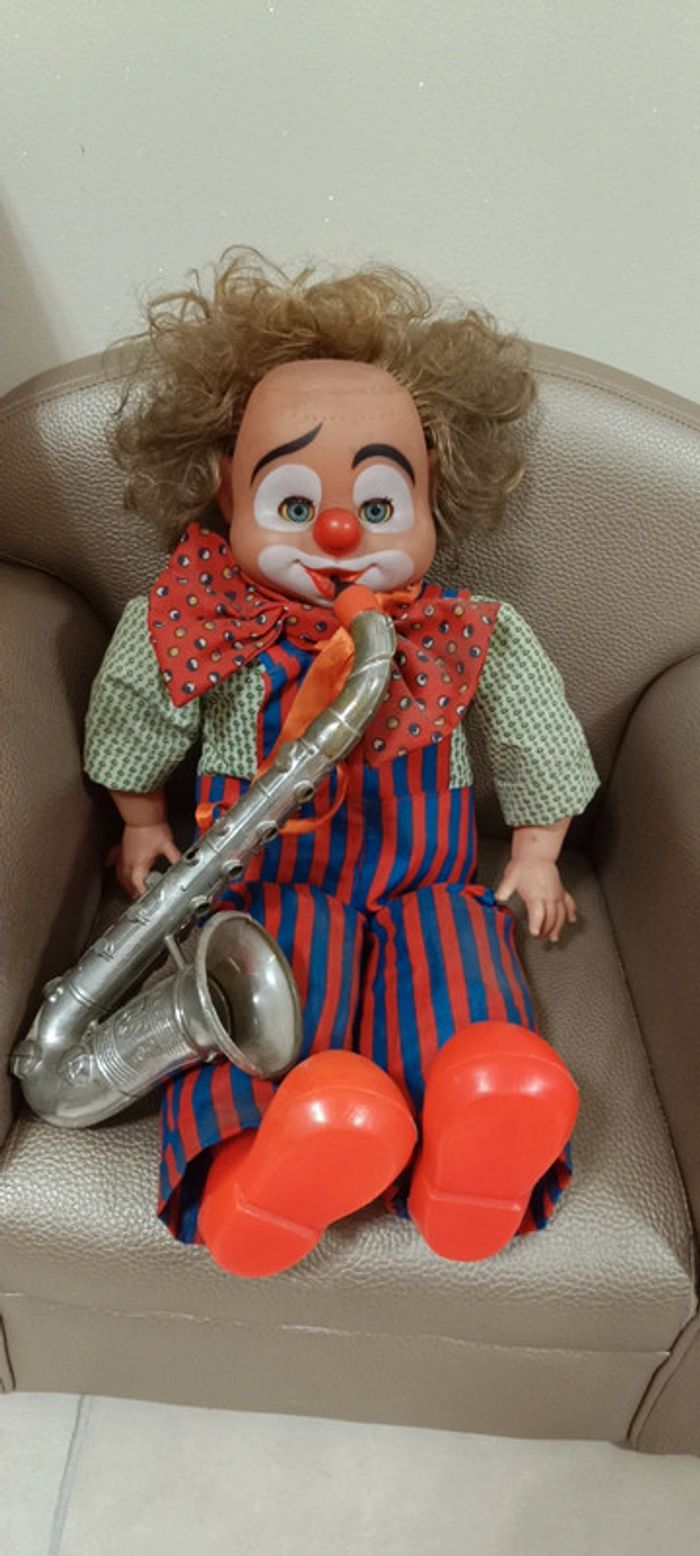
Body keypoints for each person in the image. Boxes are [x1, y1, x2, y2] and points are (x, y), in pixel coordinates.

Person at [84, 250, 599, 1277]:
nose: (332, 533)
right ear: (226, 488)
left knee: (460, 964)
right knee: (262, 985)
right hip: (265, 877)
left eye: (375, 506)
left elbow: (535, 731)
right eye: (291, 505)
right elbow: (137, 707)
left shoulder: (467, 631)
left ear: (432, 492)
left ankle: (470, 1138)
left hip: (425, 879)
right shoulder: (197, 618)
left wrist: (537, 849)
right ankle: (261, 1165)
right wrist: (142, 819)